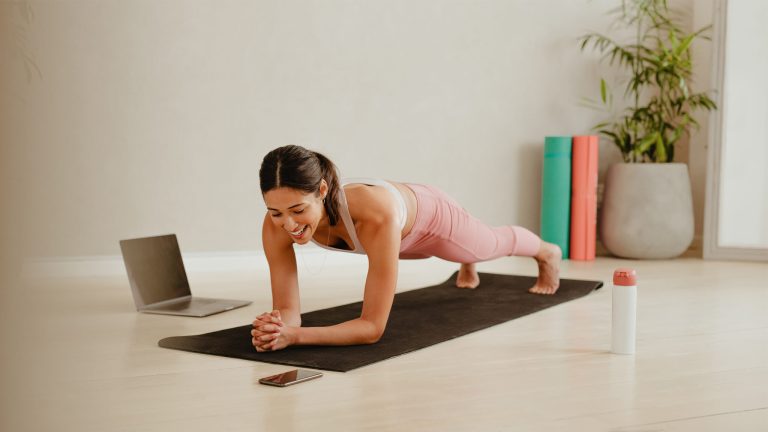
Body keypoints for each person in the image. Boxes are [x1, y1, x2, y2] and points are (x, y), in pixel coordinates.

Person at [252, 145, 561, 352]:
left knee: (486, 246)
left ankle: (546, 252)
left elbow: (372, 327)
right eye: (276, 212)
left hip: (433, 219)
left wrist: (295, 337)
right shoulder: (274, 225)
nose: (288, 224)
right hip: (397, 237)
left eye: (297, 210)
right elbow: (289, 310)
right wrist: (277, 327)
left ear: (322, 191)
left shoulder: (374, 215)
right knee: (455, 253)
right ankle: (466, 261)